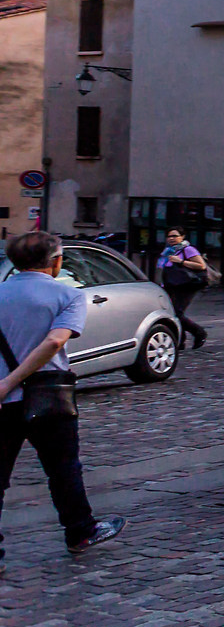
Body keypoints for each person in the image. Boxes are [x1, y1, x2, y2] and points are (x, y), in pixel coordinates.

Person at [0, 231, 125, 556]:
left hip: (1, 402)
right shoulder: (67, 295)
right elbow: (55, 342)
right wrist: (12, 380)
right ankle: (80, 531)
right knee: (63, 467)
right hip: (47, 396)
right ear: (56, 262)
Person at [153, 227, 211, 348]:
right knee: (171, 313)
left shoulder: (188, 249)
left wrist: (180, 261)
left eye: (175, 236)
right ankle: (180, 340)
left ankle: (199, 333)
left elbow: (201, 265)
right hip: (171, 285)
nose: (172, 239)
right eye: (169, 236)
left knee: (176, 313)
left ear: (182, 237)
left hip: (186, 286)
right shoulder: (168, 251)